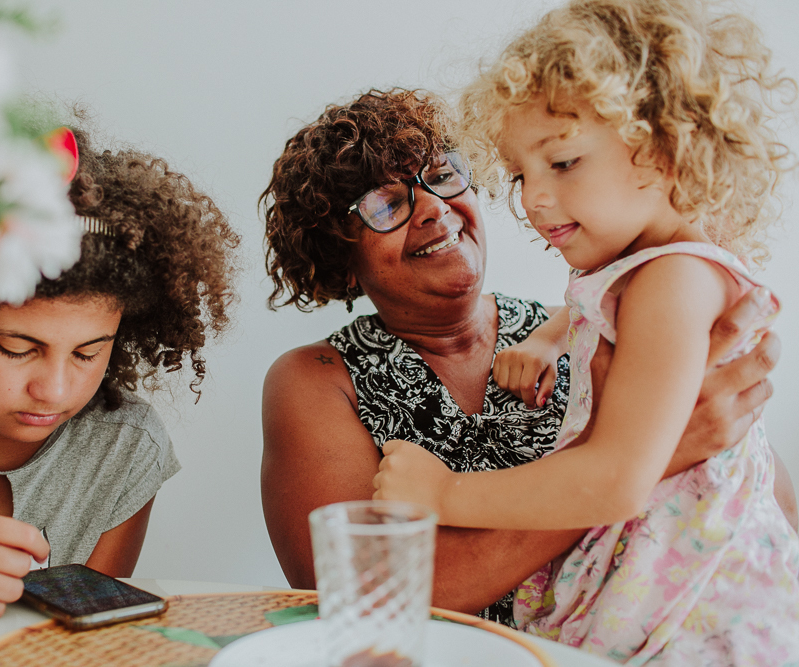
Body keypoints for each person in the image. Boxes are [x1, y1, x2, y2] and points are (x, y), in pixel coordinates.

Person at [260, 87, 794, 629]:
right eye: (387, 205)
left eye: (441, 175)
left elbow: (748, 485)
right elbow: (360, 594)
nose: (434, 207)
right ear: (339, 259)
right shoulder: (318, 381)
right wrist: (656, 459)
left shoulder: (589, 326)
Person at [373, 0, 799, 662]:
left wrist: (443, 492)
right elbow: (597, 312)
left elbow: (618, 476)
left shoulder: (673, 280)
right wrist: (548, 335)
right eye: (519, 174)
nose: (532, 198)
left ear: (662, 149)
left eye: (562, 162)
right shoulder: (646, 270)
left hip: (698, 613)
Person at [0, 127, 238, 621]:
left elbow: (80, 644)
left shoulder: (121, 449)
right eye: (16, 349)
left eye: (88, 353)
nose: (54, 391)